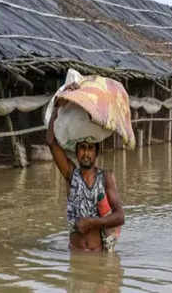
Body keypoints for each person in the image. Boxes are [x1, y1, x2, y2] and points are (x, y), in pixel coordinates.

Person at [46, 101, 125, 252]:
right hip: (75, 255)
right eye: (82, 148)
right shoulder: (70, 174)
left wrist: (92, 222)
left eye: (90, 148)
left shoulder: (105, 177)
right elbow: (51, 142)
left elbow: (120, 216)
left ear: (96, 152)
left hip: (98, 257)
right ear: (76, 151)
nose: (86, 153)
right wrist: (57, 107)